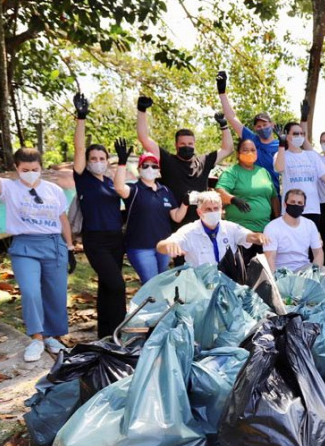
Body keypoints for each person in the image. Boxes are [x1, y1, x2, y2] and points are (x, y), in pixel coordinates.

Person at [0, 119, 75, 362]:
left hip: (54, 244)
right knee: (31, 292)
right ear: (16, 169)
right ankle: (37, 337)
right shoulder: (9, 188)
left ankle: (53, 336)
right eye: (25, 170)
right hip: (25, 246)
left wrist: (70, 247)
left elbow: (63, 219)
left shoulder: (54, 190)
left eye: (34, 169)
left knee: (56, 293)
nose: (30, 173)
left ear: (41, 167)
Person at [70, 94, 126, 339]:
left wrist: (122, 163)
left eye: (102, 159)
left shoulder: (111, 182)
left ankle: (105, 333)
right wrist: (81, 118)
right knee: (117, 285)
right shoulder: (83, 179)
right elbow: (79, 147)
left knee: (107, 287)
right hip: (95, 240)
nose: (97, 162)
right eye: (94, 159)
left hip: (116, 240)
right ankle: (119, 330)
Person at [136, 97, 233, 224]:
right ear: (176, 145)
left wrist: (224, 126)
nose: (186, 147)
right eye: (182, 144)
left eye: (190, 144)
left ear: (194, 144)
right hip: (173, 222)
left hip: (200, 223)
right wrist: (141, 110)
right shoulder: (168, 160)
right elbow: (144, 138)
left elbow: (228, 149)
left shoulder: (203, 161)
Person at [113, 142, 188, 283]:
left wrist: (185, 203)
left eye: (154, 166)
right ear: (139, 169)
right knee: (151, 285)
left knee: (161, 284)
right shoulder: (134, 190)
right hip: (140, 248)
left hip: (163, 247)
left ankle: (154, 306)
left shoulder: (165, 191)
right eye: (145, 165)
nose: (150, 169)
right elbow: (118, 188)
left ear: (158, 170)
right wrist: (122, 163)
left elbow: (177, 217)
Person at [156, 191, 269, 267]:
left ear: (221, 209)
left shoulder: (230, 227)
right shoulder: (189, 231)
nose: (213, 212)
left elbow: (248, 236)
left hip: (228, 281)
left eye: (216, 208)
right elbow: (161, 246)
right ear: (199, 212)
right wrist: (168, 245)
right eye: (208, 209)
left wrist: (258, 237)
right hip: (200, 286)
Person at [216, 71, 283, 196]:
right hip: (250, 193)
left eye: (265, 125)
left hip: (272, 196)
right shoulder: (252, 140)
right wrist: (222, 92)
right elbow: (232, 118)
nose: (262, 128)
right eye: (258, 126)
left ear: (272, 125)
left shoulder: (281, 145)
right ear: (255, 128)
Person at [216, 137, 279, 263]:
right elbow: (219, 192)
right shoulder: (232, 172)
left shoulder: (263, 172)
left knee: (262, 272)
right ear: (238, 153)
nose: (250, 153)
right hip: (240, 233)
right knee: (241, 273)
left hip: (264, 232)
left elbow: (273, 196)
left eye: (253, 150)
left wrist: (277, 219)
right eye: (245, 150)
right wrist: (233, 200)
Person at [263, 189, 325, 272]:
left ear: (304, 206)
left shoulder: (310, 225)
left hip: (305, 270)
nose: (296, 205)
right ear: (285, 204)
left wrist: (314, 273)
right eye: (292, 202)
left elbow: (318, 253)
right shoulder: (271, 227)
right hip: (282, 272)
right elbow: (270, 257)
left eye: (300, 203)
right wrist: (275, 281)